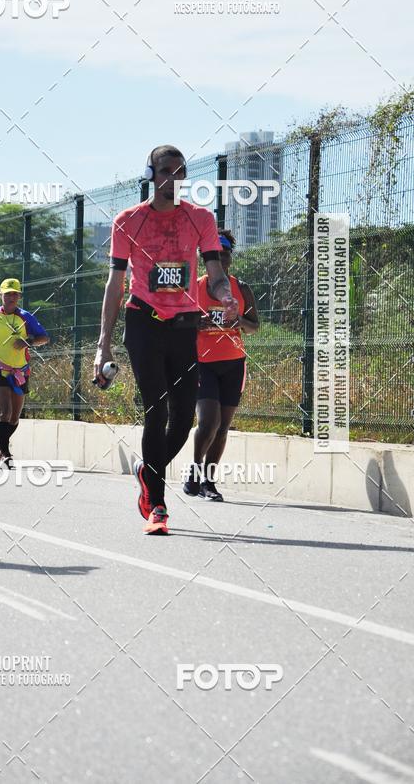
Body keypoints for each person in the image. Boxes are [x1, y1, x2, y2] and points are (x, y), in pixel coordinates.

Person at [94, 145, 238, 535]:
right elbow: (115, 282)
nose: (173, 179)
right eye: (165, 171)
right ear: (151, 175)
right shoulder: (128, 221)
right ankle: (157, 505)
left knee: (183, 418)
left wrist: (225, 295)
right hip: (143, 323)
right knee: (156, 411)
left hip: (184, 326)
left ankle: (146, 469)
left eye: (180, 172)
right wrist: (102, 344)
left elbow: (215, 271)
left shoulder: (200, 219)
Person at [184, 230, 259, 501]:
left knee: (223, 426)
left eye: (224, 256)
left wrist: (238, 320)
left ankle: (209, 482)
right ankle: (194, 470)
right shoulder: (194, 287)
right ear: (206, 260)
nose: (220, 261)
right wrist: (195, 323)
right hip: (203, 363)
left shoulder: (243, 289)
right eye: (214, 256)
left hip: (233, 364)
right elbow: (176, 322)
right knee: (208, 423)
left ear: (230, 258)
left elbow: (254, 327)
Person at [0, 278, 49, 468]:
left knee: (14, 417)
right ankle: (5, 453)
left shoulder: (26, 317)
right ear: (1, 295)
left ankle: (1, 439)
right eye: (8, 293)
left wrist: (27, 342)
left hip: (20, 371)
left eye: (15, 294)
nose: (11, 297)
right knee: (4, 412)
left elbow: (44, 338)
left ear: (19, 296)